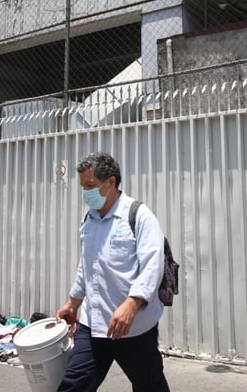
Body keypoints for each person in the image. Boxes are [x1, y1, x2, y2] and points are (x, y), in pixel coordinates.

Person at [56, 151, 170, 392]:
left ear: (111, 182)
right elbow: (86, 266)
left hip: (132, 327)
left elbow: (153, 265)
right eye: (83, 186)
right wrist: (72, 303)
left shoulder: (138, 215)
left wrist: (131, 304)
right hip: (92, 324)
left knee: (150, 386)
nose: (85, 192)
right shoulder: (89, 220)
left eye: (90, 185)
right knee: (73, 385)